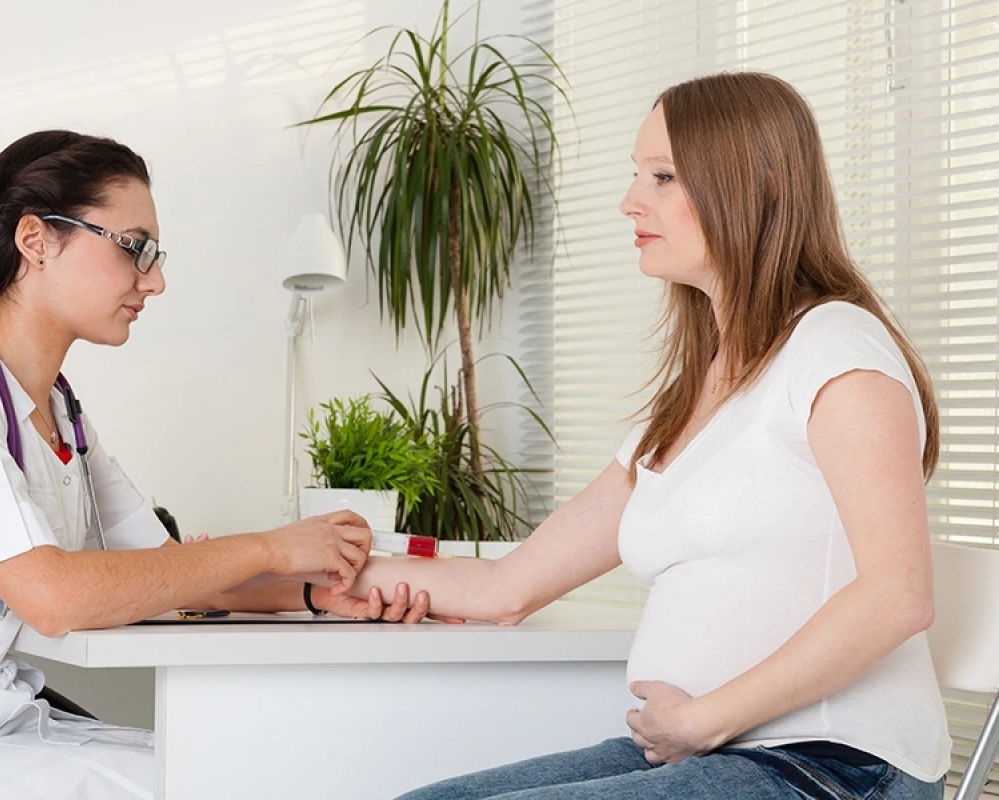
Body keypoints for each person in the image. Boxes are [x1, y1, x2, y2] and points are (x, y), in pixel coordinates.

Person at [352, 73, 950, 799]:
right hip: (708, 752)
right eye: (638, 174)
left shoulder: (835, 347)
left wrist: (701, 720)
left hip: (832, 766)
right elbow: (507, 586)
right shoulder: (697, 393)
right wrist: (315, 580)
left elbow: (897, 595)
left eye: (663, 176)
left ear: (758, 186)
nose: (630, 201)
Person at [0, 130, 432, 799]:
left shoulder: (59, 413)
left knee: (253, 769)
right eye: (134, 247)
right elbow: (53, 598)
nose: (154, 280)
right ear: (36, 240)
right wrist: (272, 547)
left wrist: (313, 595)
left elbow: (176, 575)